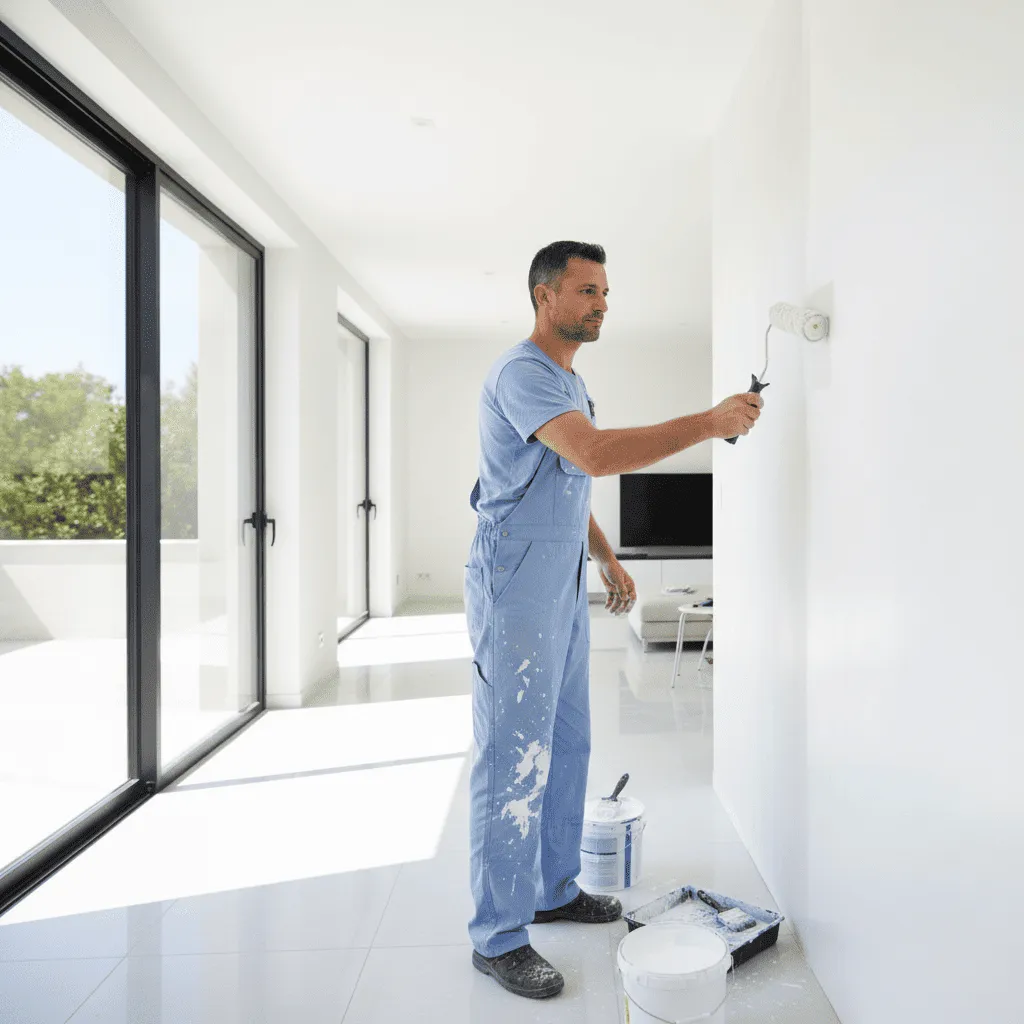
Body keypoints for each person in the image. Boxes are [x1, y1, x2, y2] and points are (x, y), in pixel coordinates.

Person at [465, 241, 762, 999]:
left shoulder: (569, 379)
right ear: (544, 297)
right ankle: (497, 937)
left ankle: (553, 889)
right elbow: (595, 455)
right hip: (513, 584)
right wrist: (709, 421)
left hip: (559, 577)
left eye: (605, 292)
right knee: (513, 757)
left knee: (568, 741)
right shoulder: (523, 372)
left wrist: (604, 556)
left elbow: (569, 479)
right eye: (587, 290)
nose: (602, 304)